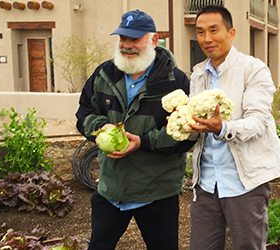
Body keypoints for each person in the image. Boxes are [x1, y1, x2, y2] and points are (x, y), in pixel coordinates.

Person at [75, 9, 194, 250]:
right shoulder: (103, 74)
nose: (127, 46)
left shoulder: (175, 81)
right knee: (99, 245)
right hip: (111, 188)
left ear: (153, 40)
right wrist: (100, 128)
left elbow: (185, 135)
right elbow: (84, 114)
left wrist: (141, 142)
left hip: (156, 190)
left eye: (135, 39)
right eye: (123, 38)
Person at [187, 5, 280, 250]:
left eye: (214, 30)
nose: (207, 39)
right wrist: (183, 125)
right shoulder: (198, 74)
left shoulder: (253, 69)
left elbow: (258, 121)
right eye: (200, 32)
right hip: (207, 183)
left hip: (245, 183)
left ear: (231, 33)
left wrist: (223, 128)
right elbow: (196, 122)